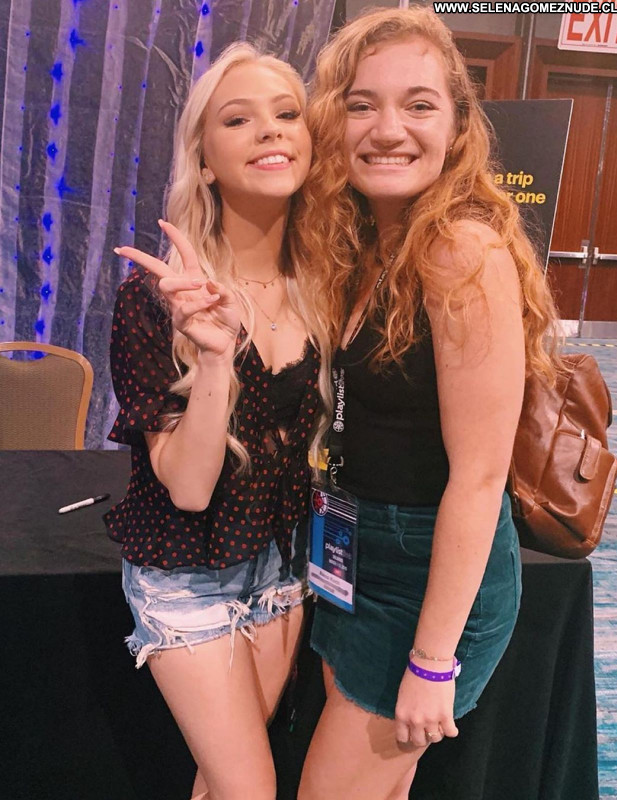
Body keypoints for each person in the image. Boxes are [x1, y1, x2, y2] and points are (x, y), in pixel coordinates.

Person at [294, 8, 561, 800]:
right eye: (362, 104)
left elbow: (479, 477)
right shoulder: (370, 241)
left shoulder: (459, 247)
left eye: (418, 104)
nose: (388, 129)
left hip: (427, 579)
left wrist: (433, 660)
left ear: (457, 125)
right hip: (356, 549)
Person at [104, 43, 329, 800]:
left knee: (225, 783)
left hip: (283, 569)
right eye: (238, 120)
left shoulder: (326, 283)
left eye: (287, 113)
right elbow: (190, 489)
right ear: (203, 161)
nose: (270, 131)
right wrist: (212, 359)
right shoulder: (157, 297)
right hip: (186, 575)